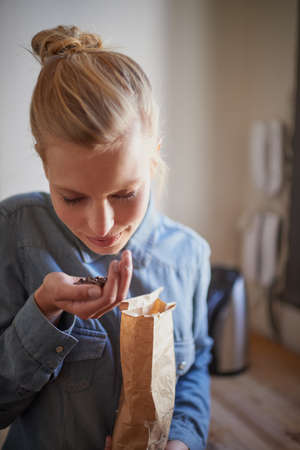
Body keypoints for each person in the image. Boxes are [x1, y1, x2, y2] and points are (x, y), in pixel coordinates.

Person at [0, 25, 213, 450]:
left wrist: (183, 441)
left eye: (125, 194)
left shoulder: (190, 254)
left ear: (154, 157)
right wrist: (42, 311)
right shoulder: (14, 232)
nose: (101, 226)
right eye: (73, 197)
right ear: (45, 165)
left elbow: (194, 369)